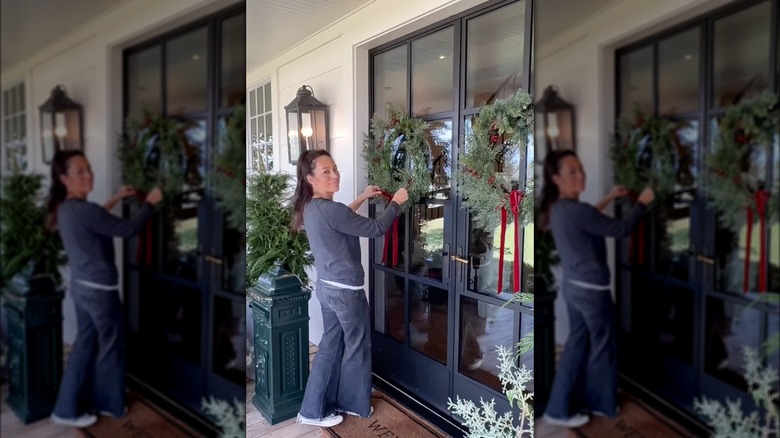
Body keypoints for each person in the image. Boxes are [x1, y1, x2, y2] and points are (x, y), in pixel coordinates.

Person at [291, 149, 408, 427]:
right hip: (345, 292)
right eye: (326, 172)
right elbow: (377, 228)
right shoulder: (329, 209)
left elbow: (342, 217)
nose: (334, 175)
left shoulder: (310, 206)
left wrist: (364, 196)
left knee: (331, 347)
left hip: (328, 289)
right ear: (310, 179)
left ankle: (313, 409)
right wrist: (396, 202)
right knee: (357, 346)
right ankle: (353, 404)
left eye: (335, 169)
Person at [46, 150, 162, 428]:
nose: (89, 175)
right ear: (64, 179)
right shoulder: (84, 210)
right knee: (112, 347)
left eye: (89, 169)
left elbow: (96, 220)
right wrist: (150, 203)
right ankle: (109, 404)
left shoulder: (66, 208)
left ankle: (65, 407)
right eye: (80, 172)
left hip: (81, 289)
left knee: (84, 346)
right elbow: (129, 229)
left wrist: (116, 198)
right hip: (99, 292)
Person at [539, 150, 654, 428]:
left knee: (576, 346)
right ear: (556, 178)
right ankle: (602, 404)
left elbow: (589, 219)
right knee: (604, 346)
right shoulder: (576, 210)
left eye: (581, 169)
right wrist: (642, 202)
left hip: (573, 289)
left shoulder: (558, 208)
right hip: (592, 292)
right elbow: (621, 229)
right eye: (573, 171)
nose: (581, 175)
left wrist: (609, 197)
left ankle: (557, 408)